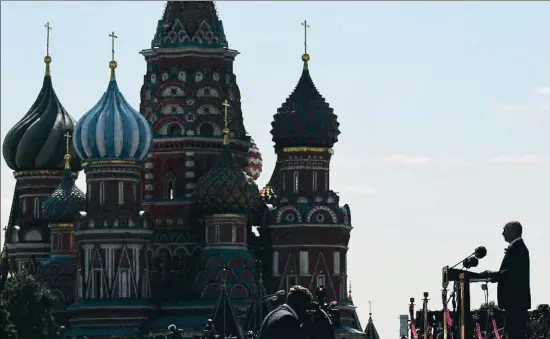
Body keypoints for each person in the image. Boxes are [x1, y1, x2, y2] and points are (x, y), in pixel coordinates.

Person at [482, 221, 531, 339]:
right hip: (514, 302)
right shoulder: (516, 247)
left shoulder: (518, 248)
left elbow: (511, 273)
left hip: (516, 301)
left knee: (515, 334)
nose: (502, 233)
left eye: (505, 230)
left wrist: (493, 276)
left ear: (514, 231)